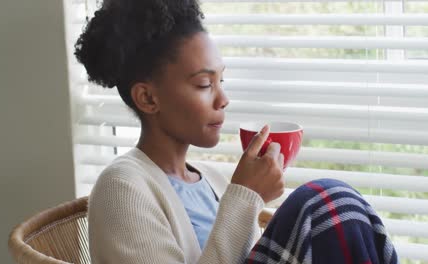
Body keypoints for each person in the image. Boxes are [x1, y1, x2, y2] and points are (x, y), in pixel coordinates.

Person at [74, 0, 398, 263]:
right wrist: (247, 196)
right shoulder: (122, 188)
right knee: (325, 199)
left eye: (221, 81)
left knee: (334, 210)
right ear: (147, 98)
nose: (223, 99)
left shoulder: (213, 180)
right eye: (204, 84)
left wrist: (249, 197)